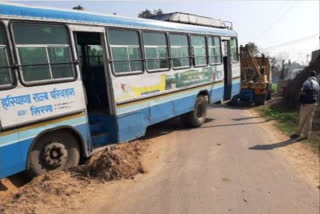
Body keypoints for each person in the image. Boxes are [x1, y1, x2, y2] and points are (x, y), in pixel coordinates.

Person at [291, 71, 319, 140]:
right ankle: (307, 135)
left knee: (302, 119)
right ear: (315, 76)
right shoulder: (317, 83)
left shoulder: (307, 82)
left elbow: (303, 92)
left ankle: (298, 134)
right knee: (309, 120)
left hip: (307, 103)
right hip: (314, 104)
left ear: (309, 75)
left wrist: (300, 101)